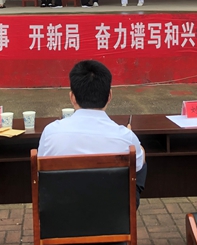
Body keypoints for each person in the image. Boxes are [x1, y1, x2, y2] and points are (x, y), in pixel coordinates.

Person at [37, 60, 147, 207]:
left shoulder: (51, 133)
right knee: (139, 161)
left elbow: (40, 174)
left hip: (61, 217)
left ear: (72, 97)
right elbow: (138, 165)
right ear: (109, 96)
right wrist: (136, 145)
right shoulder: (126, 137)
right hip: (113, 217)